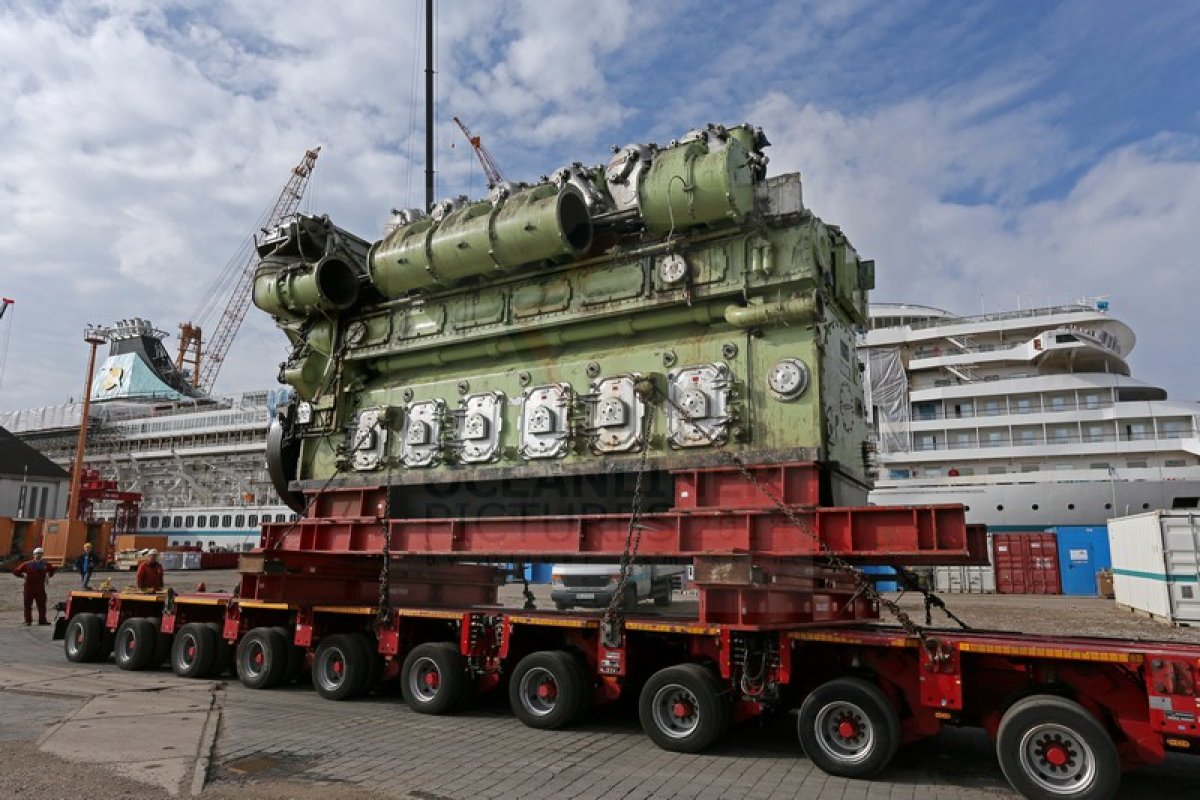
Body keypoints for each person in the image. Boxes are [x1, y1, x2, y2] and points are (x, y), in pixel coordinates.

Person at [12, 547, 56, 626]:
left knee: (42, 605)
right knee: (27, 605)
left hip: (40, 588)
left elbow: (52, 570)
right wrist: (23, 576)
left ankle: (42, 620)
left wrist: (48, 576)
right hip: (29, 588)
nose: (38, 555)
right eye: (37, 554)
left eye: (40, 553)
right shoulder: (27, 564)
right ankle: (28, 621)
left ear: (42, 555)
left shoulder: (46, 564)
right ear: (34, 555)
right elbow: (16, 571)